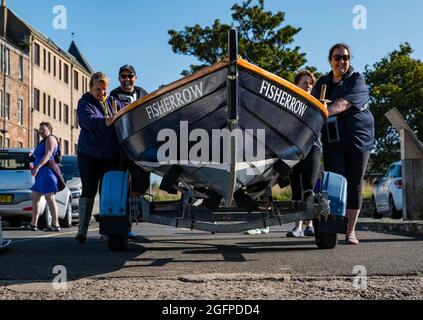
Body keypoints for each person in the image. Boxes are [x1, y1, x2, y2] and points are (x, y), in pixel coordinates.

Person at [312, 43, 375, 245]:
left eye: (345, 57)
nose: (342, 61)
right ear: (330, 60)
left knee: (354, 184)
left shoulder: (357, 79)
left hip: (359, 138)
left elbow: (345, 104)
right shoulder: (322, 83)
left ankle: (350, 232)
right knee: (336, 182)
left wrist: (325, 110)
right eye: (337, 57)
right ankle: (332, 231)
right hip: (333, 139)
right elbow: (309, 104)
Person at [75, 72, 124, 243]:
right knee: (89, 190)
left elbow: (125, 113)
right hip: (88, 154)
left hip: (109, 156)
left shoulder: (112, 102)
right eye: (98, 89)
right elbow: (89, 122)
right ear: (90, 88)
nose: (101, 93)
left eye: (104, 90)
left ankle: (107, 230)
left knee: (107, 192)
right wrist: (109, 120)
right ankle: (82, 230)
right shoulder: (84, 103)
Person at [110, 65, 151, 240]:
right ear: (119, 78)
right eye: (123, 76)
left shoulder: (143, 93)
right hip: (119, 148)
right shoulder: (112, 95)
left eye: (130, 76)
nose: (127, 79)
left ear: (136, 77)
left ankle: (130, 222)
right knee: (119, 189)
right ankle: (120, 227)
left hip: (139, 146)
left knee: (139, 184)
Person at [287, 71, 321, 238]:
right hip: (293, 148)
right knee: (295, 186)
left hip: (312, 147)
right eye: (305, 82)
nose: (308, 85)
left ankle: (311, 225)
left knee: (310, 185)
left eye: (310, 83)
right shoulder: (289, 104)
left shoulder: (317, 104)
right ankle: (297, 226)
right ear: (296, 84)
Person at [27, 122, 65, 232]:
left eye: (43, 129)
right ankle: (33, 224)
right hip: (41, 173)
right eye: (39, 129)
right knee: (35, 198)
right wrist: (33, 157)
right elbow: (40, 155)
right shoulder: (43, 141)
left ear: (49, 129)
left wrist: (37, 167)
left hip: (47, 172)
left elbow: (48, 155)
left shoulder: (51, 139)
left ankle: (55, 224)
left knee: (50, 198)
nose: (40, 131)